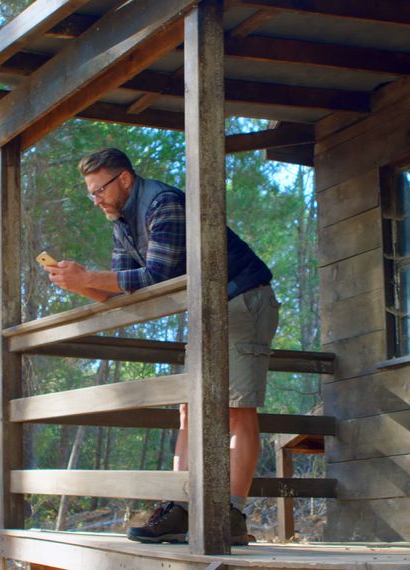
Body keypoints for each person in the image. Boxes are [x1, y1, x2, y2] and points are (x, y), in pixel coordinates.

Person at [45, 148, 279, 546]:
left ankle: (232, 514)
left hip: (242, 299)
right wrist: (81, 283)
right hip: (206, 309)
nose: (96, 199)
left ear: (124, 180)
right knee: (188, 408)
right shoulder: (120, 220)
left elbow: (156, 275)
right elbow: (125, 287)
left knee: (237, 408)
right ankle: (182, 508)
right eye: (90, 194)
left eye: (99, 190)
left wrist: (92, 277)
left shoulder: (163, 203)